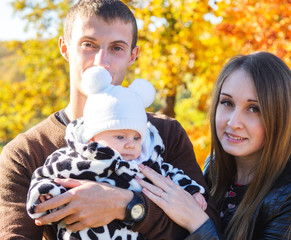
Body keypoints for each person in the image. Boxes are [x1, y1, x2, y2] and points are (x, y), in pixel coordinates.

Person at [0, 0, 219, 239]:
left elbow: (209, 228)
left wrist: (128, 206)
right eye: (88, 45)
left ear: (133, 55)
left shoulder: (166, 134)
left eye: (117, 48)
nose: (101, 61)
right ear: (65, 48)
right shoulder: (26, 152)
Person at [136, 51, 291, 239]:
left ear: (280, 116)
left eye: (254, 109)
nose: (233, 122)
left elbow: (197, 222)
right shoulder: (216, 167)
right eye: (227, 103)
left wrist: (198, 222)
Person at [26, 66, 207, 239]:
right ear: (92, 137)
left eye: (136, 138)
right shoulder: (72, 160)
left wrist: (193, 192)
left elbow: (173, 178)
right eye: (120, 137)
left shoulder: (147, 166)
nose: (130, 144)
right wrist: (47, 195)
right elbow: (45, 179)